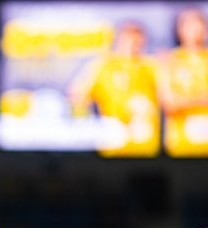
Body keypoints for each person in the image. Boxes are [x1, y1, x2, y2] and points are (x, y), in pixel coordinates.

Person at [67, 22, 160, 157]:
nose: (132, 47)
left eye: (138, 43)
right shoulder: (102, 66)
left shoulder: (151, 65)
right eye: (128, 41)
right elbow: (77, 96)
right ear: (118, 41)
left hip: (147, 146)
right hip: (114, 145)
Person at [158, 8, 208, 157]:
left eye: (201, 25)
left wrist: (187, 101)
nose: (197, 30)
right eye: (190, 25)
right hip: (181, 145)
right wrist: (205, 99)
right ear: (180, 30)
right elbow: (169, 104)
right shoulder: (169, 60)